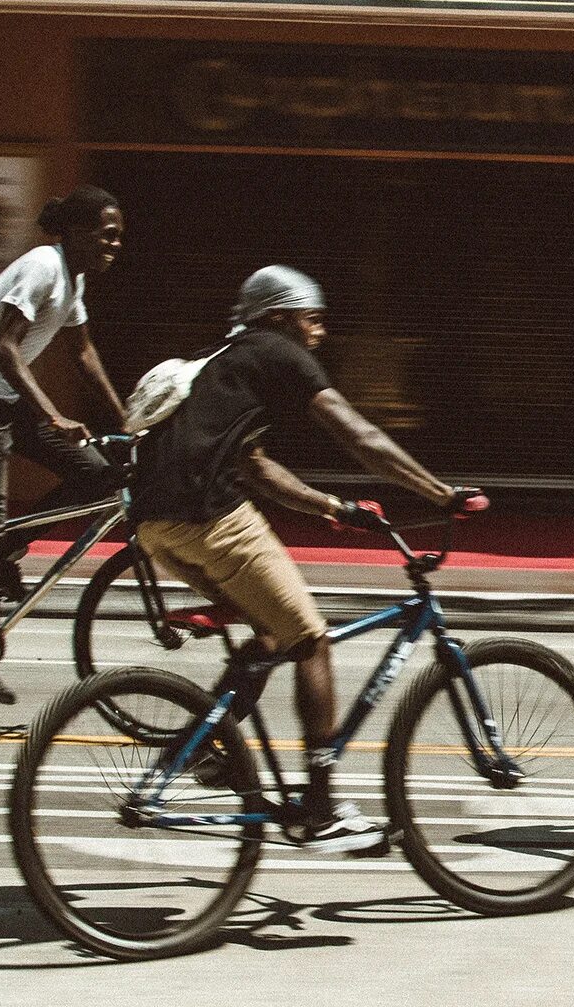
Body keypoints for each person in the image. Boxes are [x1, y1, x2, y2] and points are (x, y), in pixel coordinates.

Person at [130, 265, 483, 852]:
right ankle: (320, 807)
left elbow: (256, 467)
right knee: (312, 640)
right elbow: (358, 434)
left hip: (155, 528)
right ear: (278, 315)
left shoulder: (224, 360)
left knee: (271, 635)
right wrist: (439, 494)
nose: (319, 330)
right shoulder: (277, 351)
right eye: (311, 317)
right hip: (209, 517)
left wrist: (333, 508)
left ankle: (207, 749)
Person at [0, 185, 128, 705]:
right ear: (78, 233)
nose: (115, 246)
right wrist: (54, 416)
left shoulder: (73, 279)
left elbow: (84, 353)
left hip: (8, 401)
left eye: (118, 239)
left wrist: (131, 422)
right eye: (107, 236)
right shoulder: (43, 265)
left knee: (100, 475)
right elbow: (6, 348)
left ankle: (5, 548)